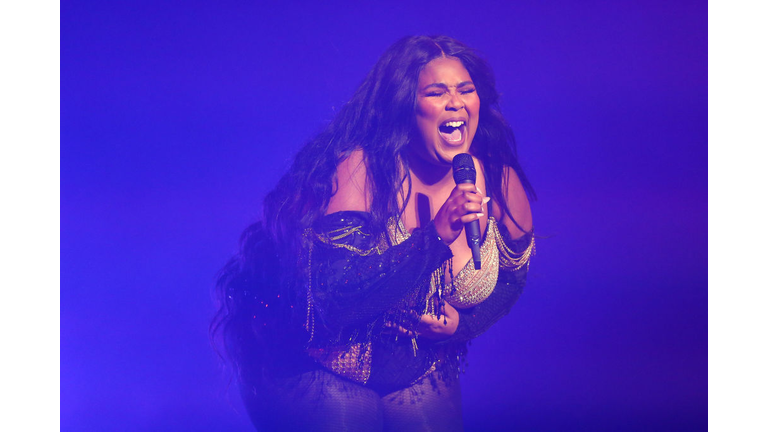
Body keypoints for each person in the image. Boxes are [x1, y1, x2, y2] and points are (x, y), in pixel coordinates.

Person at [211, 35, 536, 431]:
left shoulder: (498, 182)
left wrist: (462, 326)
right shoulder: (361, 171)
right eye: (437, 92)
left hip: (414, 369)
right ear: (405, 107)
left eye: (465, 90)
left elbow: (512, 279)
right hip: (315, 361)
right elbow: (336, 300)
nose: (456, 102)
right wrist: (435, 236)